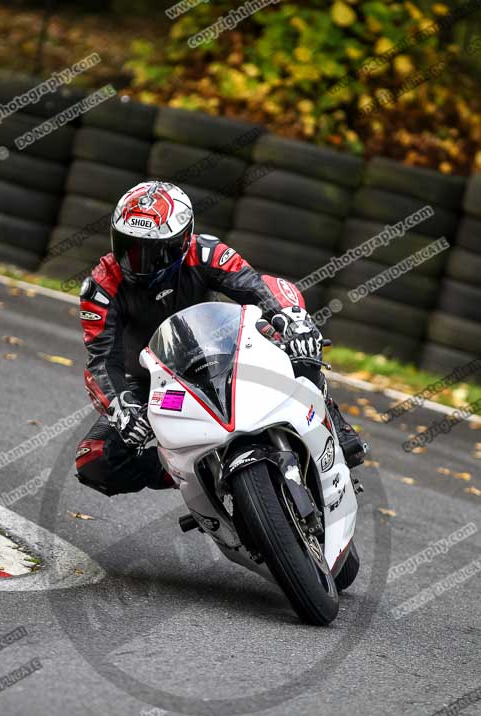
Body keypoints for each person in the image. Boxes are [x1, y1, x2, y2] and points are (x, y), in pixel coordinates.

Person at [75, 181, 365, 495]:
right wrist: (122, 408)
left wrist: (293, 320)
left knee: (295, 340)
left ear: (183, 241)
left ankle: (331, 422)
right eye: (129, 248)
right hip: (153, 382)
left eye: (154, 252)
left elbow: (256, 287)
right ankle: (188, 473)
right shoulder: (101, 286)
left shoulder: (206, 251)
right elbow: (102, 363)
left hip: (222, 350)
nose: (139, 263)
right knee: (93, 459)